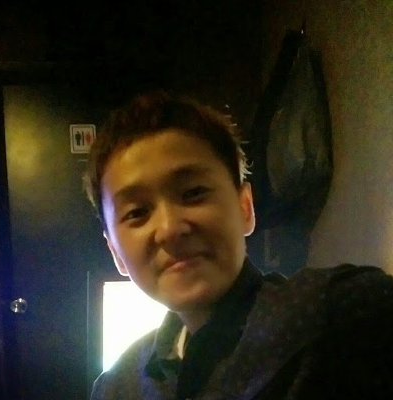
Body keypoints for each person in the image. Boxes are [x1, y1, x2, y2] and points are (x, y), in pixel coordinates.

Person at [84, 91, 393, 399]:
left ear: (245, 208)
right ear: (115, 253)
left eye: (193, 193)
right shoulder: (117, 388)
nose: (169, 229)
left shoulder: (344, 314)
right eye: (137, 212)